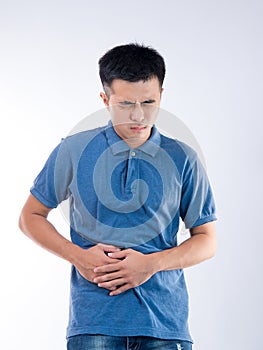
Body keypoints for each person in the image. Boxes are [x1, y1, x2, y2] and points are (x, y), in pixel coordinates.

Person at [19, 43, 217, 350]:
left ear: (161, 95)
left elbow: (206, 239)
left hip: (164, 325)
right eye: (125, 104)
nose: (138, 115)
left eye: (149, 102)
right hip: (94, 322)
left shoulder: (183, 158)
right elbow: (30, 216)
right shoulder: (74, 150)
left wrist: (150, 264)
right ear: (105, 99)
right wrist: (78, 256)